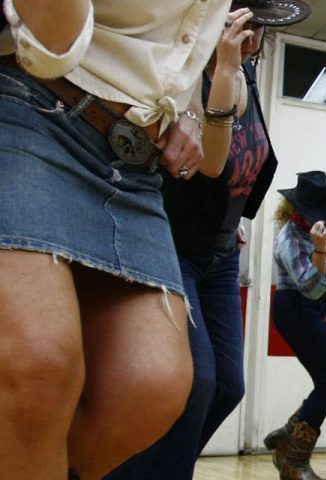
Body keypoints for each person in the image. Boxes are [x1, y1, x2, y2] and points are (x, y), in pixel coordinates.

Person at [0, 1, 229, 477]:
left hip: (135, 160)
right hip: (29, 100)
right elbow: (50, 44)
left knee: (149, 389)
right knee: (36, 368)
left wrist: (186, 106)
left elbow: (177, 38)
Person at [106, 1, 300, 477]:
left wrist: (232, 213)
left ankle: (155, 468)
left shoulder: (247, 76)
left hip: (217, 253)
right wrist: (227, 68)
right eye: (242, 22)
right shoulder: (185, 75)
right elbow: (206, 163)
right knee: (196, 381)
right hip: (172, 245)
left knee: (228, 386)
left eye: (257, 25)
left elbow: (246, 160)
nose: (251, 33)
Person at [265, 171, 326, 480]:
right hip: (293, 307)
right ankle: (294, 462)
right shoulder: (288, 238)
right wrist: (317, 249)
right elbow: (310, 286)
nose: (322, 220)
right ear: (297, 209)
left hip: (312, 308)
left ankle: (288, 434)